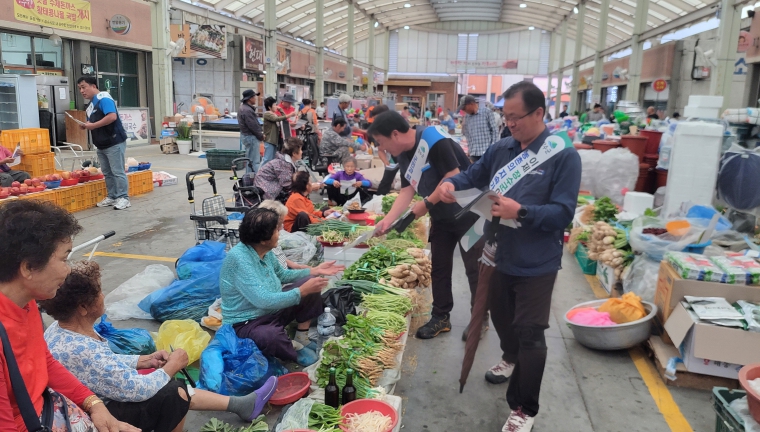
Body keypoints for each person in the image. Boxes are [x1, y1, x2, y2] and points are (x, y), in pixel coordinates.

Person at [435, 81, 581, 432]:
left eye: (516, 117)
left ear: (539, 113)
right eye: (506, 117)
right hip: (497, 252)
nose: (510, 124)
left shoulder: (563, 156)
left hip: (536, 262)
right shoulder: (502, 148)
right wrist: (452, 184)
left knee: (531, 331)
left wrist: (522, 212)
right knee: (501, 317)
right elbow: (473, 175)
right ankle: (510, 356)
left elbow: (563, 213)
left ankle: (523, 408)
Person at [42, 261, 279, 432]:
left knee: (161, 379)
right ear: (83, 308)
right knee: (173, 392)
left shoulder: (60, 329)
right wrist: (172, 366)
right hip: (96, 417)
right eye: (99, 292)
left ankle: (241, 405)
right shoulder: (81, 348)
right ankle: (239, 405)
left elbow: (103, 366)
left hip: (94, 400)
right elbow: (139, 389)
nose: (103, 296)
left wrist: (142, 360)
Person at [0, 200, 138, 432]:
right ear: (28, 268)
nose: (68, 269)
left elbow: (44, 361)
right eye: (64, 259)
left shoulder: (26, 302)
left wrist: (93, 403)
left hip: (47, 411)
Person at [367, 111, 486, 341]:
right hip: (442, 217)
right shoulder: (402, 154)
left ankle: (480, 318)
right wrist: (388, 220)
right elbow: (407, 190)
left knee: (475, 269)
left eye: (381, 142)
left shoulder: (433, 140)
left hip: (470, 213)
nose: (382, 148)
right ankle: (441, 317)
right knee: (439, 267)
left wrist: (426, 203)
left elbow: (453, 175)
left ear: (395, 134)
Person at [220, 208, 343, 367]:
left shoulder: (264, 251)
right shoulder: (239, 259)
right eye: (276, 230)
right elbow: (263, 301)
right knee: (270, 336)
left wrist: (313, 271)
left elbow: (282, 274)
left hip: (273, 310)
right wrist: (301, 291)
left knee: (312, 282)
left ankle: (301, 337)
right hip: (246, 322)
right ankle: (292, 349)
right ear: (263, 239)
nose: (280, 233)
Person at [76, 76, 130, 210]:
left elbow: (112, 116)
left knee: (117, 171)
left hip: (114, 141)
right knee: (107, 172)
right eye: (79, 88)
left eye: (84, 87)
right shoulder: (90, 106)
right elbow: (93, 122)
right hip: (101, 144)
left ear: (93, 86)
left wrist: (93, 125)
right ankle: (112, 196)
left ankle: (124, 198)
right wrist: (86, 125)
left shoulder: (104, 98)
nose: (82, 91)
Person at [258, 200, 318, 271]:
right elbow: (279, 274)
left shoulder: (272, 241)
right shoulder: (263, 244)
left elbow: (280, 256)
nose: (281, 228)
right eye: (279, 224)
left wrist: (299, 267)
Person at [254, 137, 304, 201]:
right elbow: (287, 184)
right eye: (300, 150)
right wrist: (307, 187)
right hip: (265, 189)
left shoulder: (285, 161)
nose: (302, 152)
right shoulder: (283, 164)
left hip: (266, 185)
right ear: (294, 153)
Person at [460, 95, 499, 162]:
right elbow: (467, 134)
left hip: (487, 152)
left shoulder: (486, 112)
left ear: (471, 104)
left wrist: (492, 149)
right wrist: (470, 150)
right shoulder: (467, 117)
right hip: (474, 154)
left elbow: (495, 131)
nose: (463, 110)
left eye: (464, 107)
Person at [262, 96, 297, 166]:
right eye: (274, 105)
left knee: (272, 159)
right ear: (269, 107)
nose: (276, 106)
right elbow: (277, 119)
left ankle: (268, 172)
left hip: (274, 140)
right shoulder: (267, 114)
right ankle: (260, 171)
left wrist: (281, 110)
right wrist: (290, 115)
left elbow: (284, 119)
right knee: (267, 159)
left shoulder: (274, 114)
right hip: (269, 140)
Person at [238, 89, 265, 174]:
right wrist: (261, 135)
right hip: (251, 137)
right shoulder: (247, 110)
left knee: (250, 160)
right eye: (254, 97)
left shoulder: (243, 108)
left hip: (247, 136)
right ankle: (253, 178)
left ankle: (250, 177)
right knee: (254, 161)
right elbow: (253, 126)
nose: (255, 98)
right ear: (250, 98)